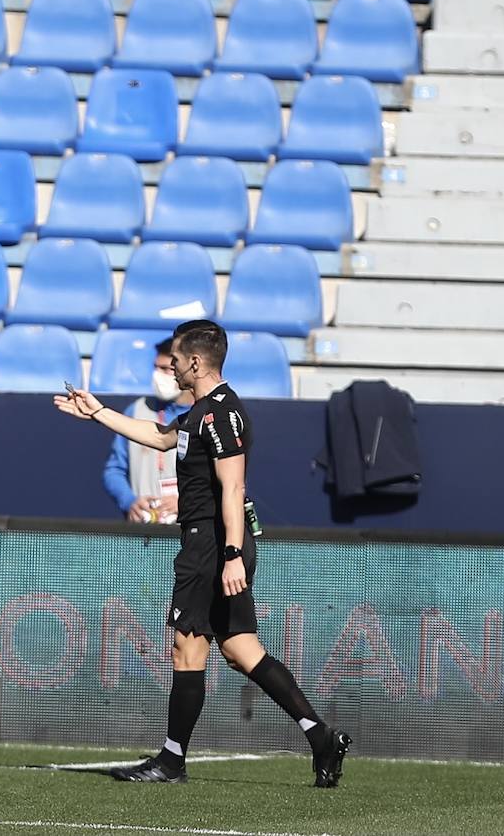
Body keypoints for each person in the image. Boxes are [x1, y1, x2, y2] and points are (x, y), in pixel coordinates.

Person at [54, 320, 351, 788]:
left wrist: (231, 554)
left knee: (186, 647)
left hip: (213, 543)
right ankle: (320, 736)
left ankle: (171, 761)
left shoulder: (221, 413)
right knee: (240, 649)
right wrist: (98, 413)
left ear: (195, 362)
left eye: (175, 357)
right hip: (212, 542)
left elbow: (233, 487)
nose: (170, 366)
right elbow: (159, 437)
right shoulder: (197, 413)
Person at [101, 338, 193, 524]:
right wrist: (130, 501)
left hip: (191, 534)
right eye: (155, 367)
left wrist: (188, 503)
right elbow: (114, 470)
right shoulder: (137, 411)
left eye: (167, 369)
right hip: (144, 533)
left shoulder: (207, 416)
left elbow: (228, 482)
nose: (158, 375)